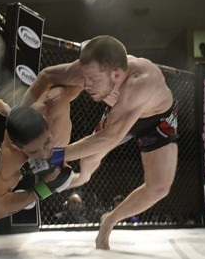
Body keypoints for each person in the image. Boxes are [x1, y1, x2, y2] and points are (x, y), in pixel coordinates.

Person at [22, 35, 178, 249]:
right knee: (90, 158)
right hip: (120, 113)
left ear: (116, 74)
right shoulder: (93, 68)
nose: (86, 85)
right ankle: (82, 178)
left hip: (157, 119)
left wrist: (55, 154)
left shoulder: (141, 81)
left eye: (92, 80)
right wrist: (19, 119)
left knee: (159, 188)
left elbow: (109, 138)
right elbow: (46, 75)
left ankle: (110, 220)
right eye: (85, 77)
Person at [0, 84, 82, 223]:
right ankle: (32, 192)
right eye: (35, 151)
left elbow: (85, 148)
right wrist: (40, 190)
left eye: (47, 142)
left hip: (52, 146)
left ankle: (50, 164)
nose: (43, 153)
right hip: (14, 161)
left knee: (62, 169)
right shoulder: (12, 158)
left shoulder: (58, 126)